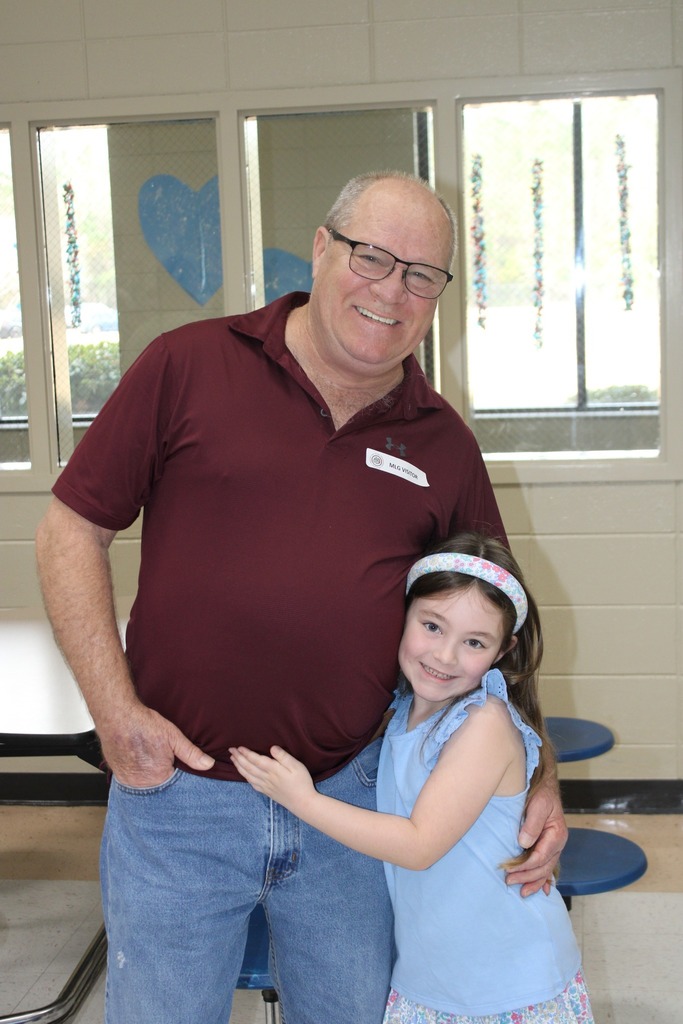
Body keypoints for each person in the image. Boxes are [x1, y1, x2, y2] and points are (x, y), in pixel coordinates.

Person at [35, 170, 567, 1024]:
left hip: (355, 800)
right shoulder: (189, 364)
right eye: (372, 256)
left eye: (420, 275)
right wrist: (113, 710)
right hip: (179, 796)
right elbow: (70, 529)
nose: (391, 289)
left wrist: (539, 773)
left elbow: (496, 619)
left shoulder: (442, 441)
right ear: (321, 249)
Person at [231, 531, 594, 1024]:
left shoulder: (482, 723)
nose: (444, 657)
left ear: (503, 650)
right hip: (434, 979)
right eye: (432, 626)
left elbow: (419, 845)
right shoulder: (402, 711)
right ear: (402, 615)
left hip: (507, 983)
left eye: (473, 642)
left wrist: (300, 798)